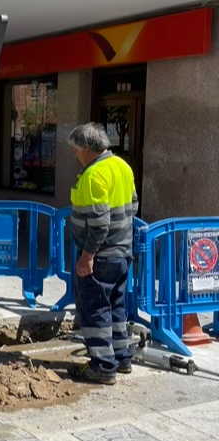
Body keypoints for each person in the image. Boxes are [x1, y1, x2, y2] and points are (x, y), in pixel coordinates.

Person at [67, 122, 138, 386]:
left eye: (76, 149)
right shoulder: (123, 166)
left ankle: (103, 366)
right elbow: (133, 205)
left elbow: (99, 223)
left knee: (95, 308)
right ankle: (122, 358)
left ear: (86, 148)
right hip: (121, 252)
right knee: (116, 307)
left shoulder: (94, 175)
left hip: (101, 256)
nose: (75, 155)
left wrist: (87, 256)